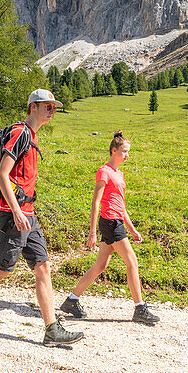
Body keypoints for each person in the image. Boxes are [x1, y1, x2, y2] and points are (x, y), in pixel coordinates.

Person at [0, 88, 84, 347]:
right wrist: (18, 212)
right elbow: (2, 175)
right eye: (48, 106)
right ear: (33, 106)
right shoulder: (21, 133)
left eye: (54, 107)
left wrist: (25, 212)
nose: (52, 111)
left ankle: (52, 329)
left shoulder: (31, 136)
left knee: (42, 266)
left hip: (27, 214)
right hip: (14, 213)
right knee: (1, 269)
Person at [59, 130, 160, 325]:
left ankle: (71, 301)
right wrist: (92, 232)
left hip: (117, 221)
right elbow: (96, 202)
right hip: (110, 222)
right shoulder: (104, 171)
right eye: (124, 151)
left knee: (101, 265)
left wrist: (132, 229)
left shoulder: (119, 174)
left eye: (128, 151)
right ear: (114, 150)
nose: (127, 155)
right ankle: (140, 308)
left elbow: (121, 205)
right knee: (132, 261)